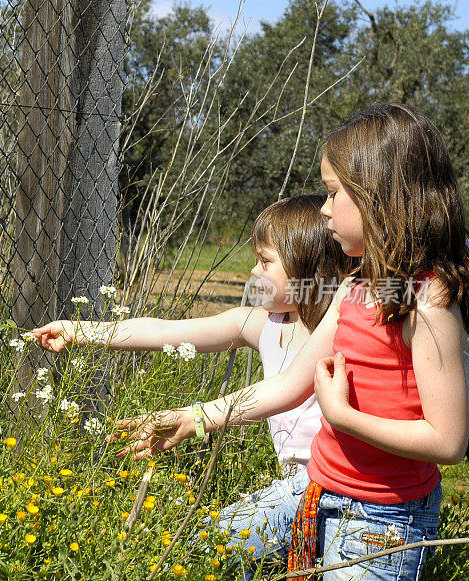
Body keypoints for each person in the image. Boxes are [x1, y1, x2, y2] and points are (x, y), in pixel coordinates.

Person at [109, 103, 469, 581]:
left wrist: (342, 417)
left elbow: (448, 441)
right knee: (198, 553)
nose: (323, 208)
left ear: (377, 198)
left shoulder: (428, 304)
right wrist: (195, 418)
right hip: (315, 489)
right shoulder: (355, 287)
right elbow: (287, 385)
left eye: (333, 192)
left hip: (381, 518)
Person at [32, 194, 352, 477]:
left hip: (333, 487)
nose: (254, 271)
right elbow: (162, 331)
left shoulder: (344, 335)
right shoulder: (261, 325)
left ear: (309, 267)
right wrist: (81, 330)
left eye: (265, 261)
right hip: (294, 491)